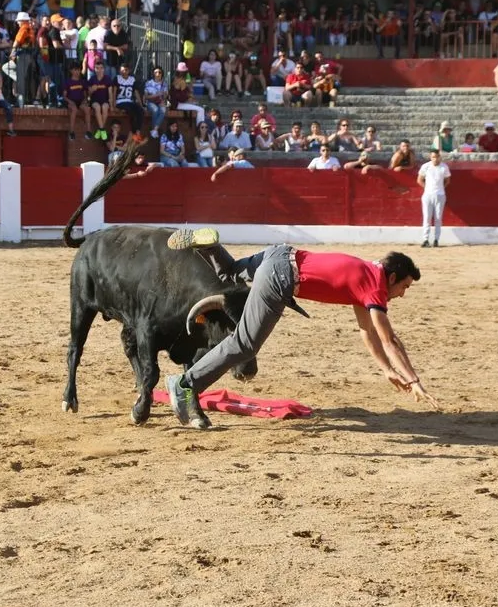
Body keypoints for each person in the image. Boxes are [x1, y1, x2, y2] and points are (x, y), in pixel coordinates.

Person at [162, 230, 437, 428]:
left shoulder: (367, 273)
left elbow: (368, 331)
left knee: (230, 272)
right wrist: (413, 380)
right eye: (404, 287)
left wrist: (387, 369)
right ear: (392, 277)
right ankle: (185, 384)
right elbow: (389, 340)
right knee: (244, 344)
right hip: (280, 278)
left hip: (280, 253)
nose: (402, 294)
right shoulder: (375, 287)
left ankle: (210, 246)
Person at [418, 149, 451, 248]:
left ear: (440, 157)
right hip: (428, 195)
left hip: (440, 195)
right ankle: (425, 239)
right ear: (430, 157)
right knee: (427, 218)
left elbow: (447, 180)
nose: (435, 159)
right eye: (433, 157)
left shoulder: (444, 167)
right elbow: (419, 180)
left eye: (437, 157)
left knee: (438, 218)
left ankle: (436, 239)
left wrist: (440, 188)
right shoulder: (426, 166)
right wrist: (427, 188)